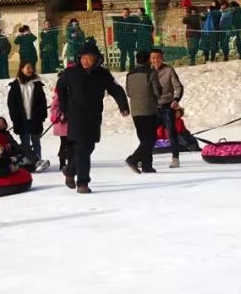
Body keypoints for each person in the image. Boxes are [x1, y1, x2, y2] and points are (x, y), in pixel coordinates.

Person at [56, 41, 130, 193]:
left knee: (89, 146)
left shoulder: (103, 74)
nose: (85, 61)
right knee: (82, 148)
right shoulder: (71, 73)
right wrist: (64, 107)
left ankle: (70, 170)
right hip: (76, 116)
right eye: (82, 57)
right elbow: (61, 87)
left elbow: (115, 89)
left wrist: (123, 105)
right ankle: (82, 183)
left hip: (94, 116)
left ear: (96, 59)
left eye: (89, 57)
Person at [7, 60, 48, 169]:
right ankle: (28, 162)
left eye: (31, 68)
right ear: (21, 69)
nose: (30, 70)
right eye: (28, 67)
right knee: (25, 143)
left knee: (36, 141)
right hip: (21, 120)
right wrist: (15, 117)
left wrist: (43, 115)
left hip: (35, 118)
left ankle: (38, 161)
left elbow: (42, 101)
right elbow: (12, 104)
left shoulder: (37, 84)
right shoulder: (15, 85)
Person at [125, 50, 159, 174]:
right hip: (149, 109)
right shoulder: (150, 73)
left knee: (144, 139)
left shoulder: (130, 74)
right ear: (147, 60)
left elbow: (128, 92)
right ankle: (133, 159)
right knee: (151, 139)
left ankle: (147, 165)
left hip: (135, 110)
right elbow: (156, 91)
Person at [150, 48, 184, 168]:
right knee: (148, 134)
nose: (156, 60)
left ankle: (175, 158)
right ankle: (144, 157)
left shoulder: (169, 70)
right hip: (153, 108)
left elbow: (178, 87)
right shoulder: (148, 72)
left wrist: (176, 100)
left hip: (167, 107)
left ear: (162, 58)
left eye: (158, 57)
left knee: (171, 132)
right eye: (153, 58)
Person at [49, 88, 71, 173]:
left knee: (70, 143)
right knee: (64, 143)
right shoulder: (59, 94)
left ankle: (69, 162)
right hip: (63, 123)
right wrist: (62, 115)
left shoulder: (74, 92)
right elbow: (53, 108)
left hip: (71, 123)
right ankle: (62, 163)